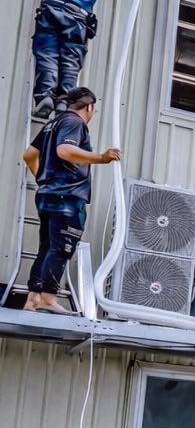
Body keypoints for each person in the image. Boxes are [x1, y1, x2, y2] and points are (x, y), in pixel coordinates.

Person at [21, 86, 120, 314]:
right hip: (67, 196)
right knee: (61, 248)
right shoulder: (75, 123)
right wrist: (101, 158)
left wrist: (44, 178)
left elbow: (29, 155)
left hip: (48, 194)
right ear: (90, 106)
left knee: (46, 247)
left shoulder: (52, 124)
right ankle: (47, 297)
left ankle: (33, 299)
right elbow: (65, 150)